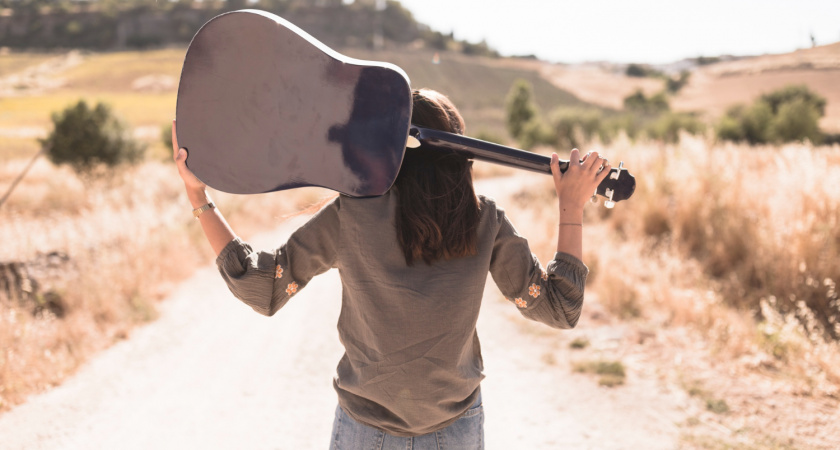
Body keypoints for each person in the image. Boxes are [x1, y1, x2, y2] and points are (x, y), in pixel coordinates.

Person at [171, 88, 610, 449]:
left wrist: (198, 197)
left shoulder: (352, 214)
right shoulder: (484, 220)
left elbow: (261, 288)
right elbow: (558, 309)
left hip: (366, 432)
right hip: (454, 430)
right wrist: (571, 208)